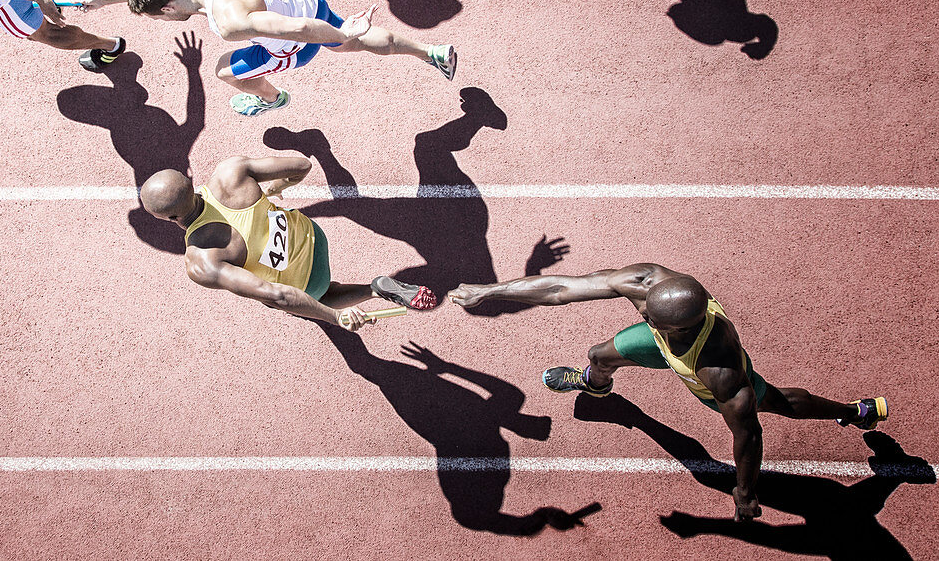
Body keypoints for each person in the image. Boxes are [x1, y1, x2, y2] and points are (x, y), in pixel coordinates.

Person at [448, 264, 889, 521]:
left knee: (775, 402)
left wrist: (746, 493)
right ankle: (595, 386)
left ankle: (854, 410)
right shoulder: (651, 283)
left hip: (694, 367)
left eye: (652, 318)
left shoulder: (722, 371)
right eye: (645, 309)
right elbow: (563, 288)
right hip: (669, 347)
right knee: (601, 355)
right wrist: (492, 291)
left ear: (680, 323)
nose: (643, 312)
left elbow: (748, 437)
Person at [70, 0, 457, 116]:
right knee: (352, 39)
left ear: (169, 9)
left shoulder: (229, 19)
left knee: (225, 71)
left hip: (295, 34)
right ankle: (432, 52)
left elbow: (300, 31)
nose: (161, 22)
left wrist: (339, 35)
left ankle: (273, 99)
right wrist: (99, 0)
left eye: (158, 19)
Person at [140, 160, 438, 330]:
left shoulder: (201, 260)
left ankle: (372, 290)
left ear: (170, 219)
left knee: (314, 298)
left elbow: (278, 295)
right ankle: (369, 290)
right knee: (302, 288)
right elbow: (301, 164)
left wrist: (336, 318)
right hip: (313, 235)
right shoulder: (230, 172)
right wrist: (276, 188)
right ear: (189, 183)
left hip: (308, 281)